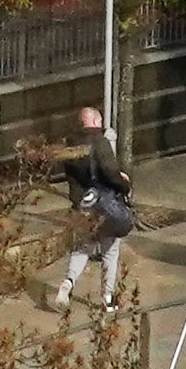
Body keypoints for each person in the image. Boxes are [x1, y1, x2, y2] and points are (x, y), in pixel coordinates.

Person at [49, 107, 138, 308]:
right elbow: (110, 172)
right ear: (97, 121)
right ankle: (107, 298)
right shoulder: (100, 142)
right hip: (103, 205)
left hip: (81, 204)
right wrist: (124, 184)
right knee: (110, 250)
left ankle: (68, 283)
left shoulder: (70, 144)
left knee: (82, 248)